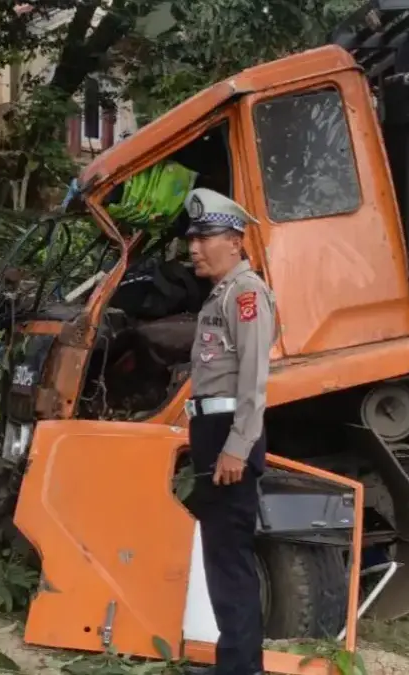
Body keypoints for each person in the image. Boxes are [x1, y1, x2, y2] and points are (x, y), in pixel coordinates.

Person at [182, 188, 275, 675]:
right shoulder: (221, 295)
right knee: (220, 556)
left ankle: (241, 667)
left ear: (236, 242)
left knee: (231, 560)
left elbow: (254, 380)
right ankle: (234, 662)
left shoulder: (245, 294)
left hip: (229, 437)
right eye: (192, 238)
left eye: (206, 236)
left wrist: (236, 448)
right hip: (212, 431)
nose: (195, 247)